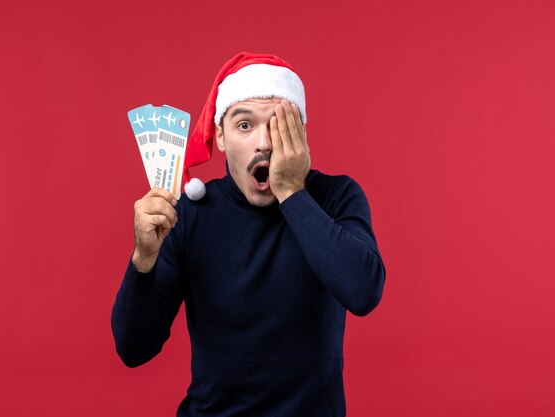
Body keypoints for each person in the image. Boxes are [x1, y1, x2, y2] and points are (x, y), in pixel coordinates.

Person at [111, 52, 386, 416]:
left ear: (300, 135)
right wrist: (142, 261)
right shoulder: (190, 215)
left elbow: (363, 292)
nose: (264, 143)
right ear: (220, 136)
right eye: (244, 126)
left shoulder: (336, 197)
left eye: (278, 126)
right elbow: (134, 349)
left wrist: (291, 191)